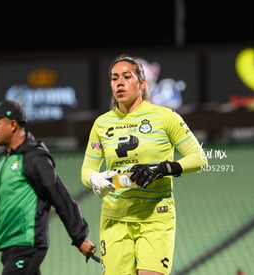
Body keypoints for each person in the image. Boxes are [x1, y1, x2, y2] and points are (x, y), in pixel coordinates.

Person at [80, 53, 208, 275]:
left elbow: (199, 159)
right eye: (114, 78)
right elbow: (87, 168)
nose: (119, 82)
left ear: (141, 83)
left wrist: (161, 169)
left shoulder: (166, 117)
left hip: (155, 216)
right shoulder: (101, 124)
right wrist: (95, 178)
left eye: (127, 76)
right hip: (115, 218)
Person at [0, 100, 96, 275]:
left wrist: (79, 238)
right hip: (9, 248)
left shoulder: (34, 158)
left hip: (26, 244)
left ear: (13, 125)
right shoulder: (2, 162)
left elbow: (59, 196)